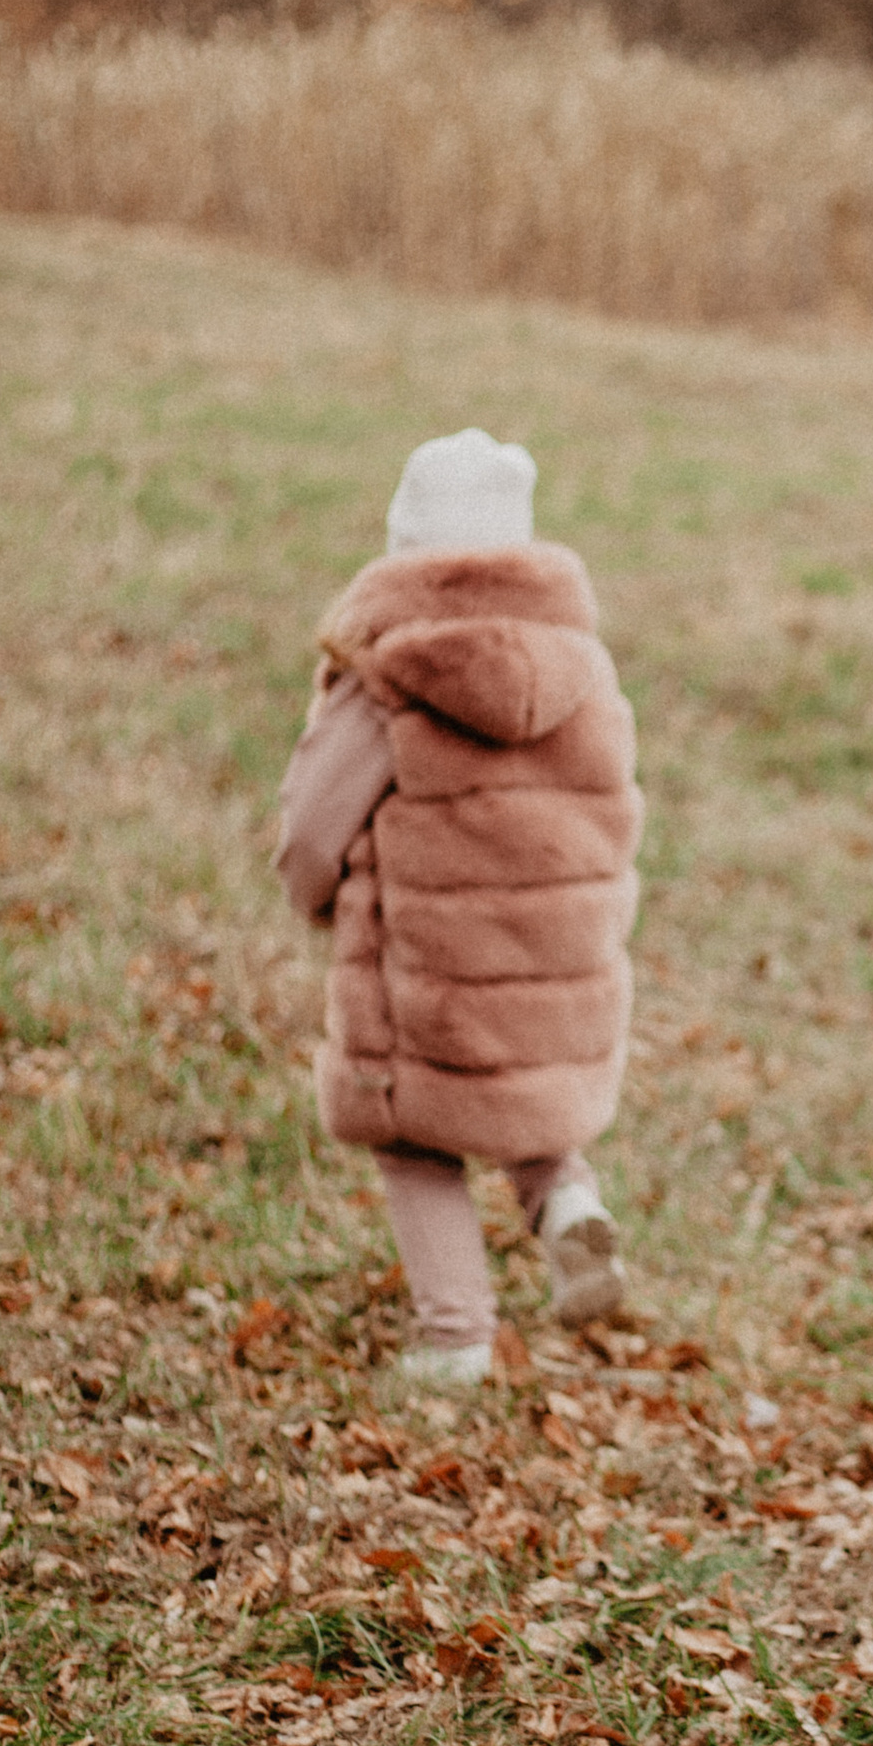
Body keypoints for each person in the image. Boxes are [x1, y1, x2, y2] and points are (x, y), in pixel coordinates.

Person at [275, 430, 642, 1388]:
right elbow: (616, 812)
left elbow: (316, 823)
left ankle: (457, 1338)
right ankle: (565, 1204)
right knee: (520, 1091)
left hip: (426, 968)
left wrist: (309, 896)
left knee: (416, 1138)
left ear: (406, 553)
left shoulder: (387, 678)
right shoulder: (585, 671)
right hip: (552, 955)